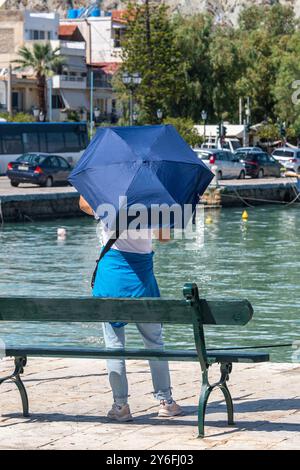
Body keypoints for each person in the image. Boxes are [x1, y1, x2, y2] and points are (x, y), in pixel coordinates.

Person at [79, 196, 182, 422]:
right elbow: (164, 238)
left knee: (114, 346)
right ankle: (166, 401)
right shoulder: (152, 201)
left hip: (111, 278)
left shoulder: (107, 197)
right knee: (154, 342)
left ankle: (120, 405)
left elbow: (83, 204)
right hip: (142, 280)